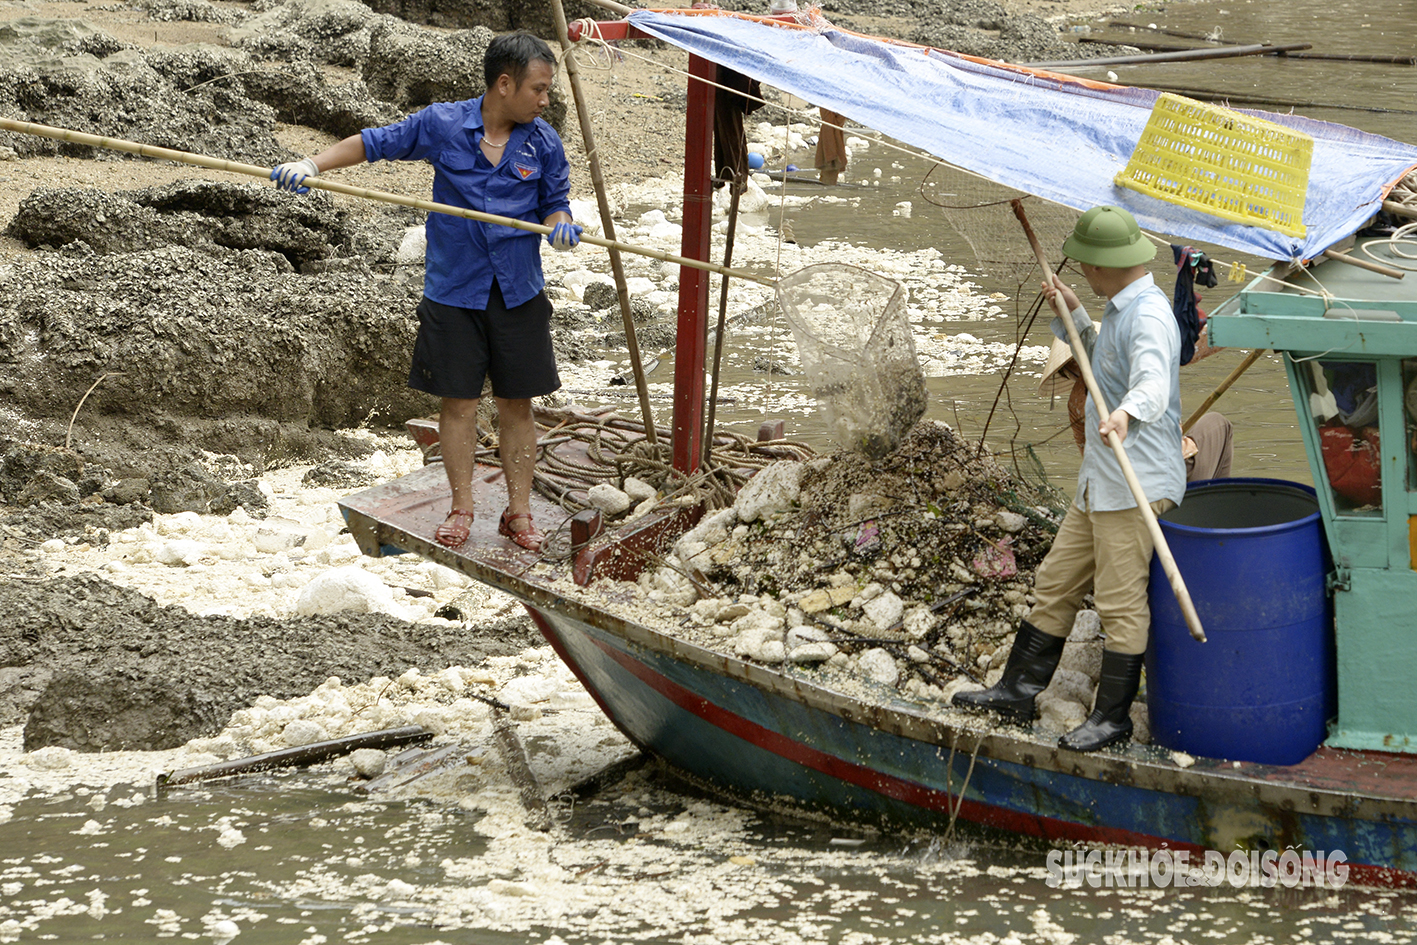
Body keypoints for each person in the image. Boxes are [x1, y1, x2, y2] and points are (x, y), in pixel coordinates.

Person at [270, 32, 579, 552]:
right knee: (457, 404)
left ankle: (519, 513)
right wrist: (312, 165)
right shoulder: (443, 124)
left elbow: (556, 202)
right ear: (504, 84)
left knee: (517, 405)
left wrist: (560, 223)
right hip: (454, 293)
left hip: (518, 293)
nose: (546, 100)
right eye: (539, 89)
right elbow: (374, 143)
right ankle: (462, 509)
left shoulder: (542, 141)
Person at [954, 205, 1184, 753]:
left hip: (1135, 486)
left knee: (1120, 603)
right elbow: (1102, 357)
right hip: (1099, 483)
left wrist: (1126, 413)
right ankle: (1016, 690)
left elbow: (1151, 383)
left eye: (1085, 267)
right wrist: (1077, 314)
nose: (1081, 272)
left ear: (1105, 265)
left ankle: (1112, 718)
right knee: (1055, 582)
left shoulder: (1149, 316)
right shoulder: (1121, 308)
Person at [1039, 337, 1233, 482]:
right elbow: (1196, 345)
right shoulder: (1134, 367)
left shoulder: (1076, 401)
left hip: (1120, 483)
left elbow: (1089, 459)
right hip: (1171, 473)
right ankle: (1212, 502)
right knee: (1218, 423)